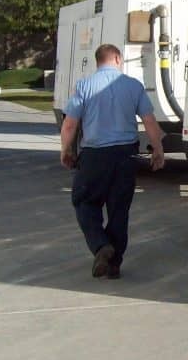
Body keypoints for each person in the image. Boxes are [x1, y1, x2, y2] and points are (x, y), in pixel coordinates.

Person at [60, 44, 165, 279]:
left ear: (98, 62)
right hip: (125, 156)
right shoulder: (133, 86)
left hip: (95, 156)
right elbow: (149, 121)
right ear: (117, 58)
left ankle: (100, 245)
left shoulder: (84, 86)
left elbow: (69, 124)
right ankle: (114, 263)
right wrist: (157, 149)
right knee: (119, 210)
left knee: (85, 201)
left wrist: (65, 150)